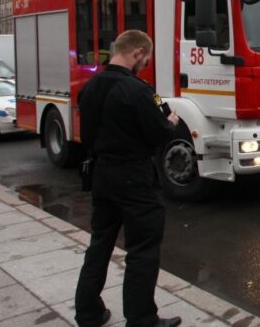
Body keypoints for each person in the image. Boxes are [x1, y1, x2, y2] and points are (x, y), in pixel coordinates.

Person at [73, 31, 181, 327]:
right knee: (143, 248)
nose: (145, 63)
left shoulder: (90, 86)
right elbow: (158, 133)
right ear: (137, 52)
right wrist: (169, 124)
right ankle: (142, 318)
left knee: (100, 243)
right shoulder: (140, 91)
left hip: (101, 173)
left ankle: (87, 312)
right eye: (145, 58)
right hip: (133, 175)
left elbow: (88, 134)